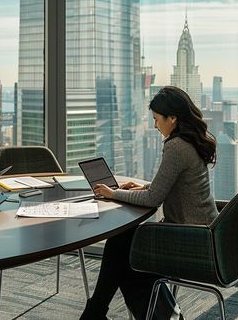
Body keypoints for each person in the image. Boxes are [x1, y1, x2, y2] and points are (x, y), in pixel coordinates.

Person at [80, 86, 218, 320]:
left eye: (156, 119)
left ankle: (96, 312)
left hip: (193, 240)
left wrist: (113, 194)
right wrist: (142, 187)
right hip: (206, 232)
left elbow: (154, 199)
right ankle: (98, 312)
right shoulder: (191, 140)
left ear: (172, 118)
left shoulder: (176, 146)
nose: (155, 126)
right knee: (125, 250)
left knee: (122, 246)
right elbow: (171, 186)